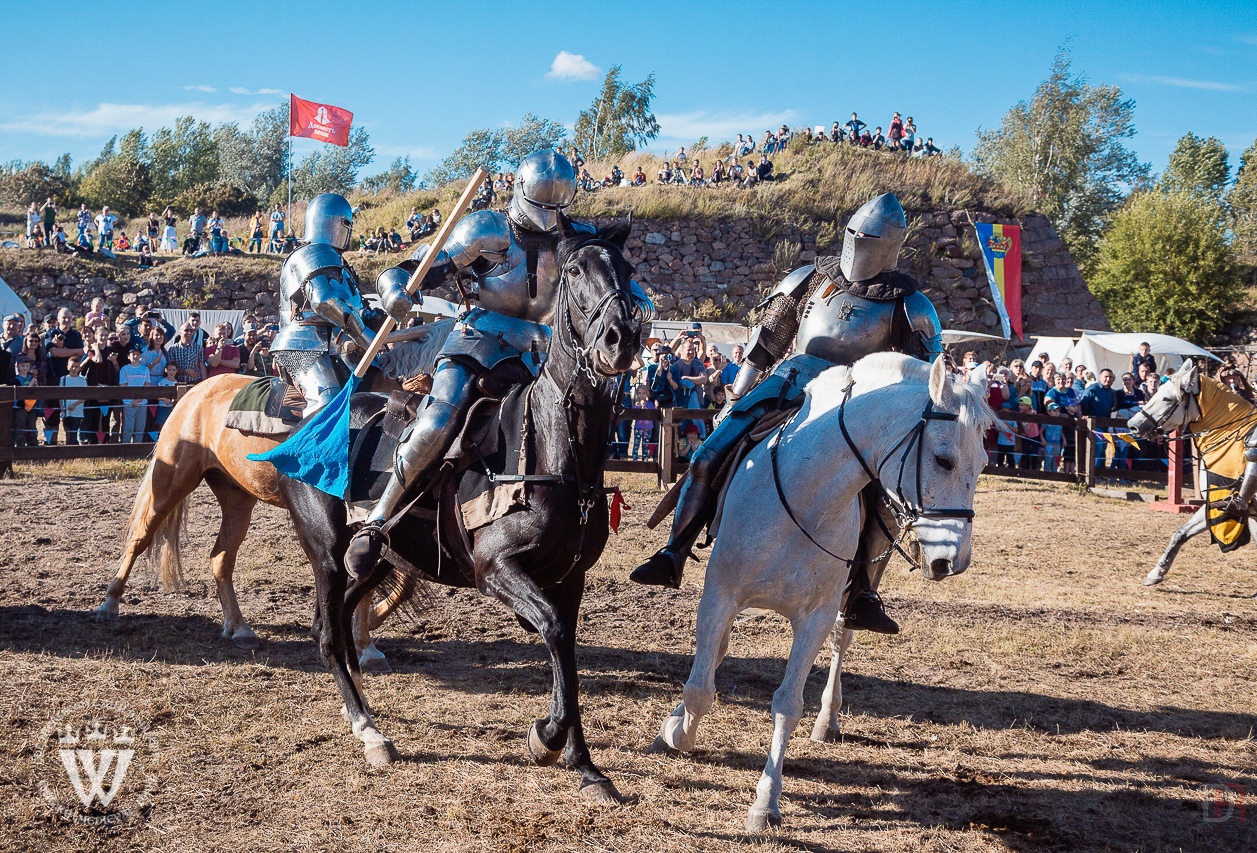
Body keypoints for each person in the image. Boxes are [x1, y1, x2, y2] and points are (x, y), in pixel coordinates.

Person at [632, 193, 941, 637]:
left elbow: (924, 375)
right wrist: (734, 399)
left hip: (855, 398)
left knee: (884, 498)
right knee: (708, 455)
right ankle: (673, 553)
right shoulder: (810, 280)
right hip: (791, 380)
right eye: (854, 232)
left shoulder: (909, 305)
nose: (858, 242)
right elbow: (766, 345)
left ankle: (863, 594)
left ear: (890, 243)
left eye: (868, 236)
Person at [345, 148, 655, 579]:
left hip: (543, 354)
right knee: (437, 423)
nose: (548, 217)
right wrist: (397, 287)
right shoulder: (488, 229)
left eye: (556, 208)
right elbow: (417, 266)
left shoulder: (577, 238)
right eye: (541, 206)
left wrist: (634, 304)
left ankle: (568, 519)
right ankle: (377, 521)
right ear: (522, 191)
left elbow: (618, 284)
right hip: (477, 342)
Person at [269, 193, 378, 416]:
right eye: (347, 223)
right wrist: (364, 333)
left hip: (337, 348)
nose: (348, 230)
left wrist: (374, 318)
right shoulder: (310, 254)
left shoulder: (340, 264)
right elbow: (324, 301)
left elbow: (353, 307)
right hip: (304, 343)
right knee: (325, 399)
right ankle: (307, 451)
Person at [118, 348, 150, 444]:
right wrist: (133, 399)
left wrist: (139, 399)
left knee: (140, 428)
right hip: (129, 403)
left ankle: (137, 450)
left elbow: (147, 385)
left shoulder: (145, 369)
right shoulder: (124, 369)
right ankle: (126, 449)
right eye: (133, 354)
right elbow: (123, 385)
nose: (135, 356)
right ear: (128, 356)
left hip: (142, 402)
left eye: (137, 354)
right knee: (128, 428)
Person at [60, 356, 87, 444]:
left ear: (79, 367)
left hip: (77, 410)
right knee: (67, 431)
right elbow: (60, 394)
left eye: (76, 366)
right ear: (68, 367)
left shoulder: (82, 380)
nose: (74, 368)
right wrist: (62, 406)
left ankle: (74, 449)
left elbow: (84, 397)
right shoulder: (63, 379)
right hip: (66, 409)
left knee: (74, 431)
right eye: (72, 366)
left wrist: (74, 405)